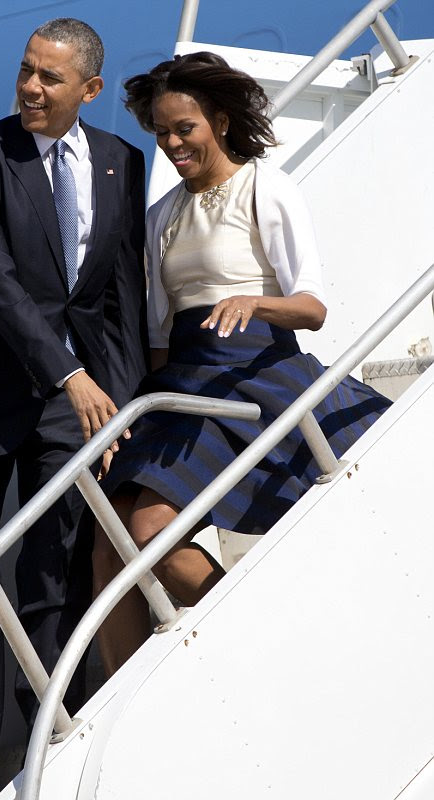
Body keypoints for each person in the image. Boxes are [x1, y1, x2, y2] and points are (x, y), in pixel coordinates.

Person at [92, 51, 391, 675]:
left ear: (221, 122)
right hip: (180, 384)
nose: (172, 144)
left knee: (150, 532)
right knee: (108, 538)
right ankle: (114, 702)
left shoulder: (265, 186)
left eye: (185, 129)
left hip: (253, 373)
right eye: (161, 132)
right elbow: (159, 336)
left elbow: (312, 308)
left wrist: (256, 302)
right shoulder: (161, 216)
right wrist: (132, 420)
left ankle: (250, 644)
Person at [0, 18, 147, 800]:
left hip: (70, 408)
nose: (30, 88)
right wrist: (70, 376)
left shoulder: (120, 162)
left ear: (91, 89)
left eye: (50, 77)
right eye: (26, 71)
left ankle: (49, 751)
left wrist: (119, 405)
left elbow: (120, 297)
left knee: (56, 577)